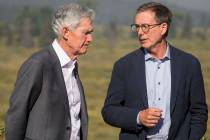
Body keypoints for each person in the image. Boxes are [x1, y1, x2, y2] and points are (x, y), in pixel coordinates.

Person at [102, 2, 208, 140]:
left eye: (145, 27)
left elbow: (199, 112)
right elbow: (109, 111)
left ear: (163, 27)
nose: (140, 32)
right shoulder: (124, 65)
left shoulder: (189, 64)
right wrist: (138, 117)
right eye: (137, 27)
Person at [5, 3, 95, 140]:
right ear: (66, 32)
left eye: (91, 33)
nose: (90, 39)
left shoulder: (72, 66)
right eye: (86, 33)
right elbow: (16, 117)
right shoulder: (38, 64)